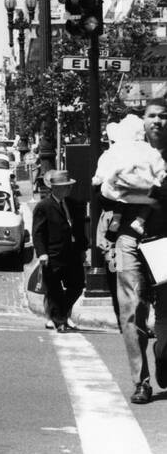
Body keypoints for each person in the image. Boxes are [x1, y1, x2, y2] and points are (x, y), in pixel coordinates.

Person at [98, 99, 167, 404]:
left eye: (164, 116)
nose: (158, 121)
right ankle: (141, 381)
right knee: (131, 308)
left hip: (163, 239)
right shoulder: (122, 151)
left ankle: (163, 355)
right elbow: (104, 192)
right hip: (129, 238)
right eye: (152, 116)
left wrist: (150, 196)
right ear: (143, 121)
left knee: (166, 309)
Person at [32, 169, 86, 333]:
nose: (68, 189)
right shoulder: (44, 206)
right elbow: (38, 232)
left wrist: (83, 248)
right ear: (54, 188)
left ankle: (60, 314)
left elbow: (79, 229)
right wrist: (42, 252)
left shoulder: (73, 204)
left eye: (69, 186)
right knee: (54, 291)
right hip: (53, 255)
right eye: (64, 186)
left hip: (72, 254)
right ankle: (60, 321)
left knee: (77, 285)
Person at [95, 114, 164, 238]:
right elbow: (159, 166)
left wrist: (98, 178)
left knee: (120, 193)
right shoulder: (147, 148)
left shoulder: (116, 149)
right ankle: (140, 221)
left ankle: (117, 217)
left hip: (122, 188)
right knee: (151, 198)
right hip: (144, 187)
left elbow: (103, 166)